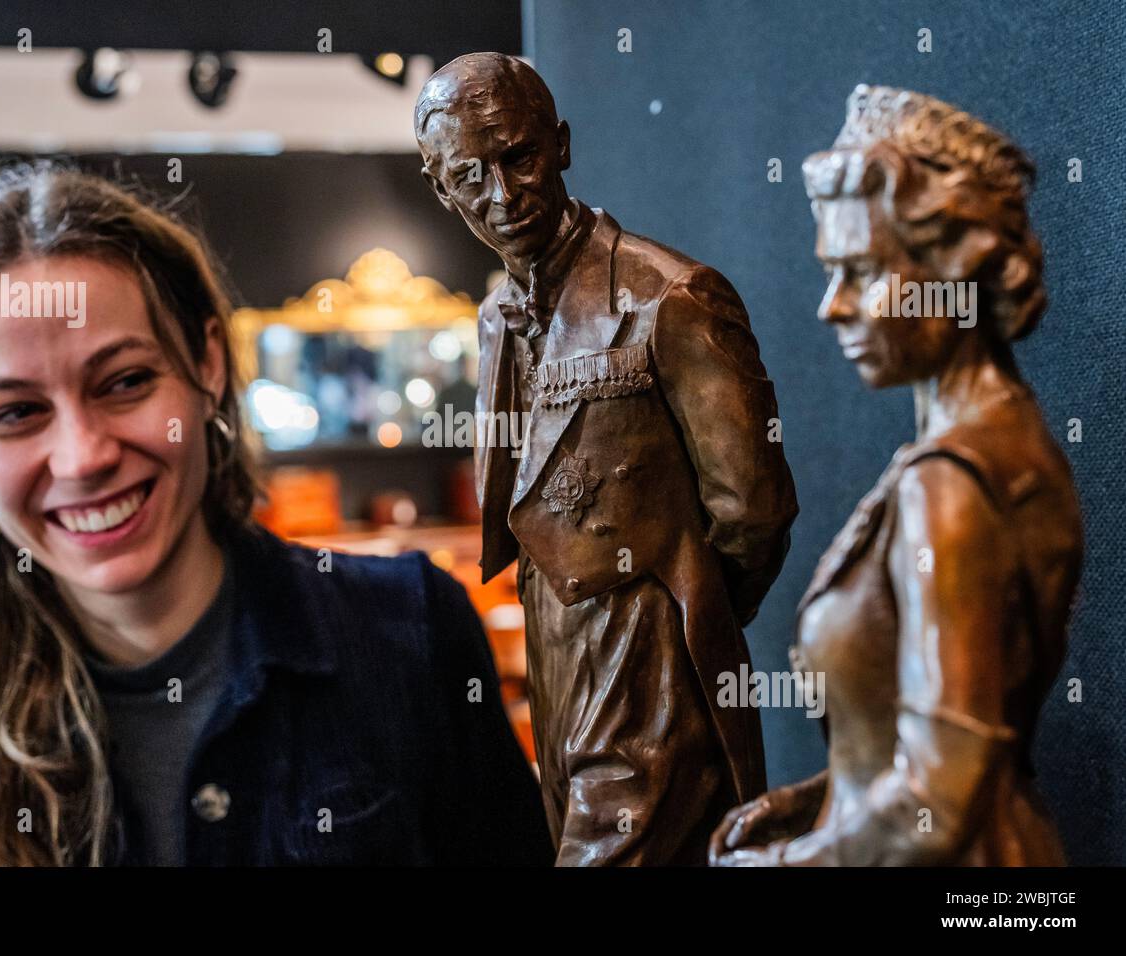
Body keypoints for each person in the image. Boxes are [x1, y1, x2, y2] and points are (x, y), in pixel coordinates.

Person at [0, 161, 552, 866]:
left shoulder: (409, 633)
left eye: (126, 381)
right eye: (16, 412)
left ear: (206, 363)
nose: (83, 457)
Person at [414, 53, 798, 865]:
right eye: (469, 176)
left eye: (517, 156)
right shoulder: (493, 321)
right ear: (441, 190)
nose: (504, 195)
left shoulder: (672, 298)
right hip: (553, 671)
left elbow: (754, 512)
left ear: (560, 144)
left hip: (650, 676)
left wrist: (677, 619)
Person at [711, 86, 1082, 866]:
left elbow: (936, 803)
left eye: (861, 272)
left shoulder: (950, 486)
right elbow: (945, 747)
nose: (831, 307)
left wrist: (775, 867)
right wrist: (820, 801)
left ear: (955, 272)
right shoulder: (1001, 440)